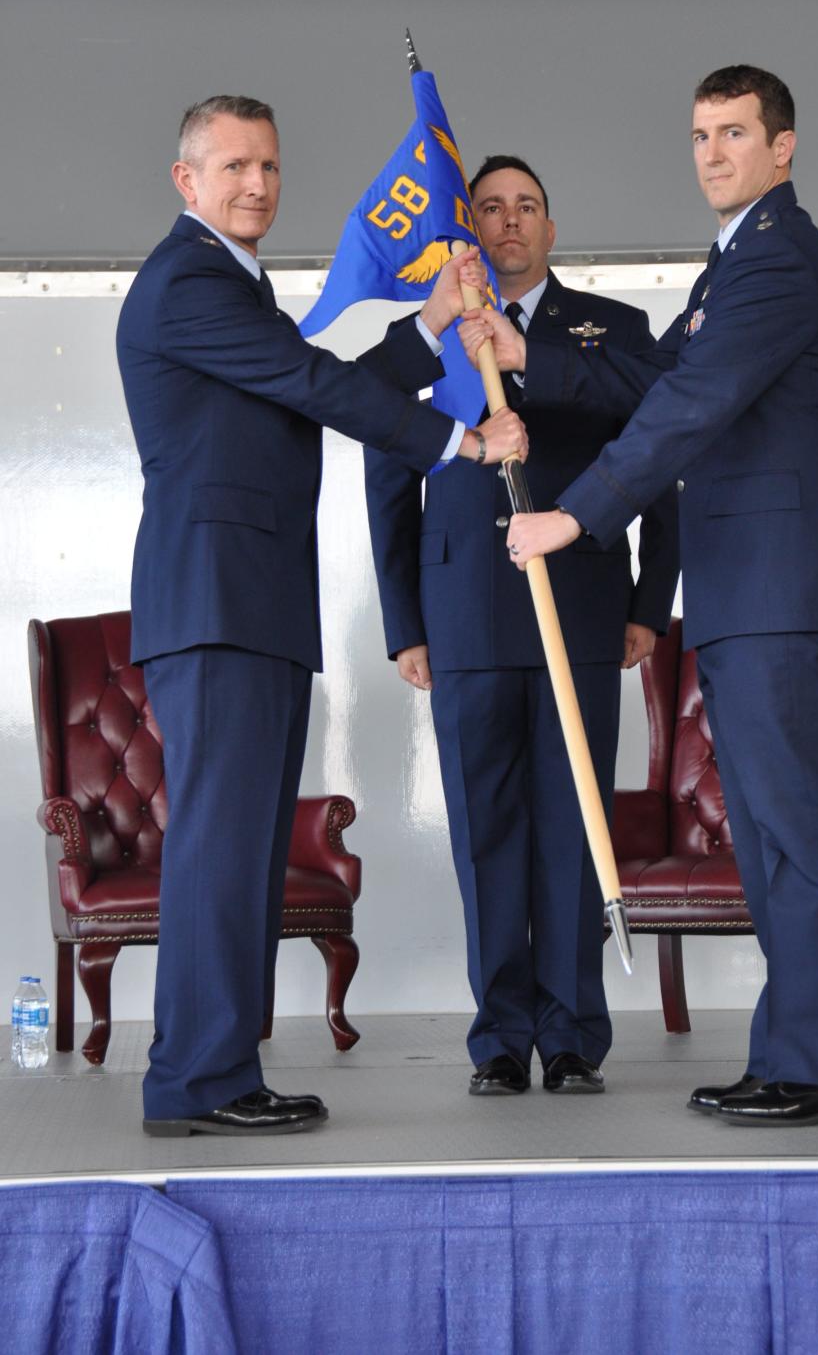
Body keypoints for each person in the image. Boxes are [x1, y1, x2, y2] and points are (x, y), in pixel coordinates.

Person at [463, 68, 818, 1127]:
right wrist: (533, 359)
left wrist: (577, 515)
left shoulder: (780, 258)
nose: (712, 152)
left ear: (783, 146)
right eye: (701, 133)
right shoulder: (734, 260)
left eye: (735, 133)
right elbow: (657, 380)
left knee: (800, 829)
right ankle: (798, 1052)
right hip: (751, 586)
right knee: (770, 833)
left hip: (786, 583)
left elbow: (689, 409)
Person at [117, 95, 527, 1137]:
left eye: (270, 164)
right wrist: (459, 443)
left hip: (249, 606)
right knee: (219, 844)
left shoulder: (233, 288)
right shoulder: (187, 282)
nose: (257, 183)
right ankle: (195, 1079)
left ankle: (222, 1067)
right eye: (234, 166)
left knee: (244, 845)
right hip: (216, 605)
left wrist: (429, 325)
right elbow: (309, 381)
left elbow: (299, 389)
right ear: (187, 181)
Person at [365, 156, 678, 1096]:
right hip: (463, 614)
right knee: (486, 826)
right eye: (489, 208)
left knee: (574, 822)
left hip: (582, 605)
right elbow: (389, 477)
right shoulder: (425, 341)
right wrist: (403, 620)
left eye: (525, 208)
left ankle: (573, 1031)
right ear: (469, 227)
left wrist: (647, 605)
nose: (508, 223)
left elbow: (663, 460)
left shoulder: (615, 331)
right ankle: (500, 1035)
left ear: (551, 228)